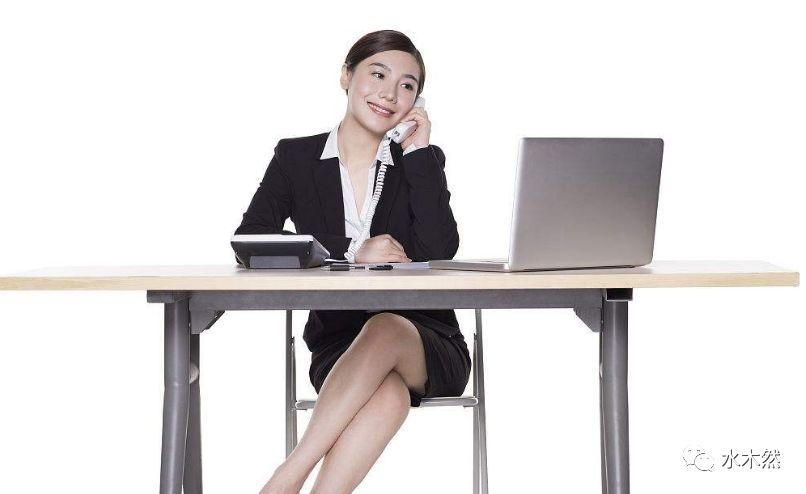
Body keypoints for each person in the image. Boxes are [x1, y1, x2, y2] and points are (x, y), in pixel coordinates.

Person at [234, 30, 470, 494]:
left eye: (407, 85)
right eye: (377, 75)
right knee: (388, 395)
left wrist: (418, 152)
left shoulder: (420, 160)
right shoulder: (296, 157)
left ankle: (285, 477)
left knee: (386, 326)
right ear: (346, 75)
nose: (390, 94)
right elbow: (251, 238)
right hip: (340, 348)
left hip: (426, 340)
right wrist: (349, 250)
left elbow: (440, 249)